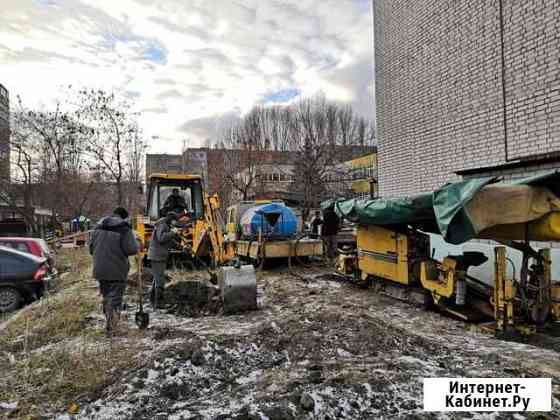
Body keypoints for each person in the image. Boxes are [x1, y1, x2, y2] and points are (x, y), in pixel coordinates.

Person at [89, 207, 140, 337]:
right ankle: (112, 329)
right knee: (115, 299)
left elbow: (90, 249)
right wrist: (137, 242)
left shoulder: (98, 227)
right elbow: (131, 249)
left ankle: (109, 322)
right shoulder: (124, 228)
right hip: (117, 270)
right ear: (124, 217)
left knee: (106, 296)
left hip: (100, 269)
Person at [148, 212, 180, 307]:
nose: (175, 223)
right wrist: (173, 232)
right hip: (157, 256)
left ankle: (153, 300)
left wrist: (180, 246)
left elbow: (168, 241)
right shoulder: (162, 225)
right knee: (160, 279)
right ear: (171, 219)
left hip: (159, 255)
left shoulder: (165, 226)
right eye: (175, 221)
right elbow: (161, 238)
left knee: (157, 278)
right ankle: (159, 302)